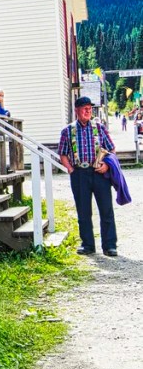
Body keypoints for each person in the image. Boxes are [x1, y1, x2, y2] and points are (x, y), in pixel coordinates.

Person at [58, 96, 118, 257]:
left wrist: (107, 165)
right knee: (83, 211)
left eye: (90, 108)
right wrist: (71, 169)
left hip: (99, 173)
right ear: (77, 110)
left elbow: (112, 149)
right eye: (84, 108)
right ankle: (88, 245)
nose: (88, 110)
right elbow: (62, 154)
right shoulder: (67, 131)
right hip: (79, 174)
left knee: (106, 209)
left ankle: (110, 246)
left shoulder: (99, 128)